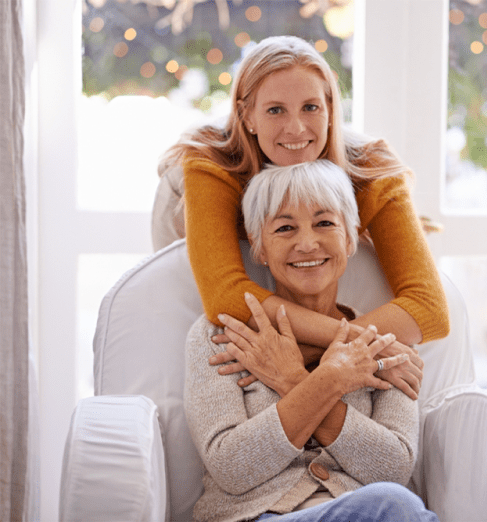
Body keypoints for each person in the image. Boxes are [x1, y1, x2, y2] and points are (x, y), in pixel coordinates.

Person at [157, 35, 446, 400]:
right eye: (276, 110)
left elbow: (429, 309)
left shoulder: (373, 166)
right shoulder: (211, 161)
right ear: (247, 116)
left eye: (310, 107)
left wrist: (325, 357)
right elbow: (224, 296)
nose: (296, 128)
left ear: (330, 109)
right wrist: (355, 349)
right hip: (178, 217)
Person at [185, 160, 437, 522]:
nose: (307, 243)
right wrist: (332, 380)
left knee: (394, 502)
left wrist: (292, 380)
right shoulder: (223, 335)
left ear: (349, 239)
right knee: (394, 507)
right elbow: (231, 467)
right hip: (255, 517)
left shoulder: (385, 342)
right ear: (259, 248)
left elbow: (392, 468)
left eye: (324, 223)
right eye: (285, 228)